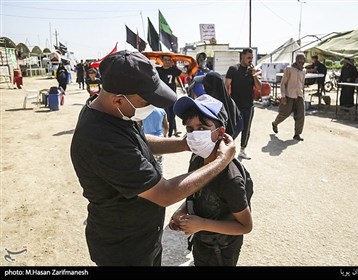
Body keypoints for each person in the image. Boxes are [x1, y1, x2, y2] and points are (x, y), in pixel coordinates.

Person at [70, 50, 235, 266]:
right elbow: (164, 193)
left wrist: (184, 143)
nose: (153, 107)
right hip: (124, 249)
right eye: (145, 101)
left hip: (143, 237)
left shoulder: (109, 110)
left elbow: (137, 141)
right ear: (118, 100)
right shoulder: (100, 139)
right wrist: (220, 162)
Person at [169, 94, 253, 266]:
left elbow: (245, 226)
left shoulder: (230, 179)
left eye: (202, 128)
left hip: (222, 250)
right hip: (202, 241)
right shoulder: (197, 158)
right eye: (190, 129)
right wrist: (182, 210)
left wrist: (202, 224)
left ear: (220, 132)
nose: (194, 135)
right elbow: (196, 192)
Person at [225, 48, 261, 160]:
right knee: (235, 128)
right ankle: (227, 148)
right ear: (242, 57)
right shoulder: (233, 69)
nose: (250, 60)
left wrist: (254, 75)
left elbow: (259, 88)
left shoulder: (252, 71)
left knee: (246, 129)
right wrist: (227, 102)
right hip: (235, 106)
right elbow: (226, 85)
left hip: (249, 106)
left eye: (252, 58)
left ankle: (242, 150)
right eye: (248, 58)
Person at [271, 53, 306, 141]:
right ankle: (275, 123)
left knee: (300, 115)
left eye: (303, 59)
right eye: (300, 59)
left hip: (299, 95)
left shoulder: (304, 70)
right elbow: (283, 83)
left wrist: (302, 93)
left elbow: (302, 83)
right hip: (289, 95)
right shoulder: (289, 69)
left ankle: (297, 134)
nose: (301, 61)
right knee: (284, 113)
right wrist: (283, 96)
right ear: (296, 59)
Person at [156, 54, 184, 137]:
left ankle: (170, 134)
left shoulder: (173, 70)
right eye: (165, 60)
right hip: (162, 96)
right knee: (163, 114)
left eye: (169, 60)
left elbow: (184, 74)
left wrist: (191, 68)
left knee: (172, 115)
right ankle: (163, 132)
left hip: (172, 96)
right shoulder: (158, 70)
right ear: (162, 60)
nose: (167, 62)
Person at [141, 107, 169, 174]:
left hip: (146, 139)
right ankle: (161, 179)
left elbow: (139, 125)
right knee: (159, 162)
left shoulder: (144, 112)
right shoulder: (162, 111)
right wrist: (165, 136)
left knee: (148, 163)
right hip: (159, 139)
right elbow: (166, 126)